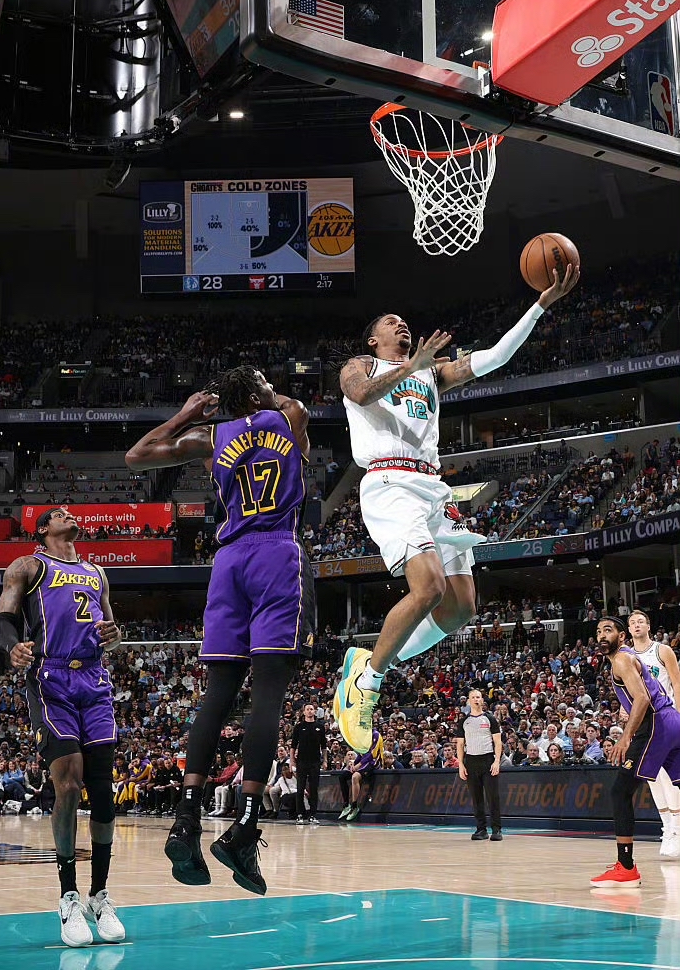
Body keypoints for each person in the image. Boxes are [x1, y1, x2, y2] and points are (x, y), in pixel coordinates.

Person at [334, 265, 579, 753]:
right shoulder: (359, 365)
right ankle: (365, 686)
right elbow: (359, 394)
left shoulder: (430, 373)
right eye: (390, 322)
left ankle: (374, 660)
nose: (401, 324)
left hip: (432, 487)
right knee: (428, 588)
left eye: (404, 320)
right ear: (374, 339)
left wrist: (540, 305)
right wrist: (412, 365)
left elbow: (495, 357)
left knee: (461, 606)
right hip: (389, 481)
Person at [125, 367, 313, 895]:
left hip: (228, 563)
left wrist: (186, 414)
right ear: (257, 392)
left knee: (219, 694)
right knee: (268, 692)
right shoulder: (288, 415)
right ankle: (245, 828)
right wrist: (260, 393)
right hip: (276, 553)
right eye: (264, 382)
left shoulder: (212, 437)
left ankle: (186, 820)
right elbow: (288, 404)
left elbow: (136, 456)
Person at [0, 507, 125, 947]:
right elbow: (4, 617)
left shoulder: (96, 572)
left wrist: (115, 636)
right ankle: (68, 895)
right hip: (51, 677)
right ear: (43, 529)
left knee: (103, 792)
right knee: (68, 785)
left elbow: (111, 628)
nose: (69, 514)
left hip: (94, 679)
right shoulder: (27, 566)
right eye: (58, 513)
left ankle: (99, 895)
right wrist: (12, 647)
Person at [591, 616, 680, 887]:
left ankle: (626, 867)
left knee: (620, 791)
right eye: (598, 631)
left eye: (608, 630)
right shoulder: (627, 657)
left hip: (655, 724)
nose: (602, 635)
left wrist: (626, 737)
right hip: (671, 721)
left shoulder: (621, 659)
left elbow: (642, 697)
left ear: (621, 636)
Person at [627, 608, 680, 858]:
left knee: (670, 778)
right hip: (645, 724)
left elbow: (677, 683)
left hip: (666, 719)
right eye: (633, 622)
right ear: (628, 630)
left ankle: (677, 830)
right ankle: (667, 828)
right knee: (653, 779)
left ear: (648, 626)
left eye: (641, 621)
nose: (637, 625)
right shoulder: (627, 657)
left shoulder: (662, 650)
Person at [455, 689, 503, 841]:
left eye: (478, 697)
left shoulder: (490, 718)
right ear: (469, 701)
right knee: (476, 798)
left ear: (482, 700)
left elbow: (498, 742)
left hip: (487, 760)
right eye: (473, 697)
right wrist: (461, 765)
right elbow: (460, 744)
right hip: (471, 761)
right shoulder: (464, 721)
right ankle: (481, 830)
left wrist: (496, 761)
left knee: (492, 797)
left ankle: (496, 829)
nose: (476, 699)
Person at [290, 703, 327, 825]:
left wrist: (325, 760)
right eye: (308, 709)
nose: (310, 711)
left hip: (315, 762)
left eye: (312, 709)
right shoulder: (299, 727)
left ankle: (312, 815)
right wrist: (292, 761)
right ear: (304, 712)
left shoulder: (320, 727)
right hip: (301, 762)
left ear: (314, 711)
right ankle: (300, 814)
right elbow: (293, 746)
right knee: (300, 789)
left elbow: (324, 746)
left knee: (314, 789)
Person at [338, 730, 384, 822]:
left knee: (355, 776)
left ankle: (354, 806)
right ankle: (347, 804)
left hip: (374, 762)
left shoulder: (376, 735)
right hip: (363, 762)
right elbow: (360, 754)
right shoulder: (362, 736)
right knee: (342, 776)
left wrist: (358, 765)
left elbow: (372, 754)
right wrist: (354, 764)